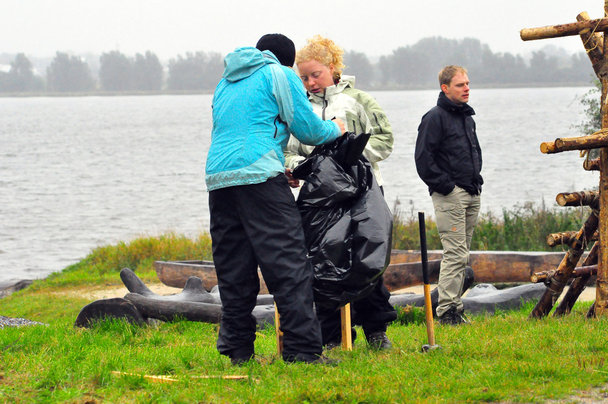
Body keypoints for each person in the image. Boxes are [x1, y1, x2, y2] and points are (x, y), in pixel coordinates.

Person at [205, 33, 346, 365]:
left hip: (219, 180)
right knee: (288, 265)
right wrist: (337, 128)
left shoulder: (225, 82)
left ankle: (239, 352)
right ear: (287, 60)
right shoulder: (279, 73)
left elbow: (239, 132)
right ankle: (303, 351)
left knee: (234, 268)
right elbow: (309, 130)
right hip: (260, 182)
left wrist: (275, 165)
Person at [284, 35, 396, 350]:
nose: (310, 82)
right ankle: (332, 336)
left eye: (315, 74)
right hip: (319, 199)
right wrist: (302, 167)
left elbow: (385, 140)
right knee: (322, 265)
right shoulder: (300, 108)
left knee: (367, 260)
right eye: (304, 77)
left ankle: (376, 330)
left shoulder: (359, 100)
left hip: (364, 194)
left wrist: (351, 157)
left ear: (333, 67)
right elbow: (287, 151)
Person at [414, 65, 483, 325]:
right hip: (450, 196)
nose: (466, 88)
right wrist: (447, 187)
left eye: (468, 84)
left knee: (462, 254)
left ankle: (455, 308)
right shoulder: (434, 117)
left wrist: (476, 182)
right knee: (455, 254)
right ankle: (446, 312)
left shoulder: (467, 117)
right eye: (460, 85)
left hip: (471, 191)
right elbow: (423, 160)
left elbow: (473, 153)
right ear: (445, 88)